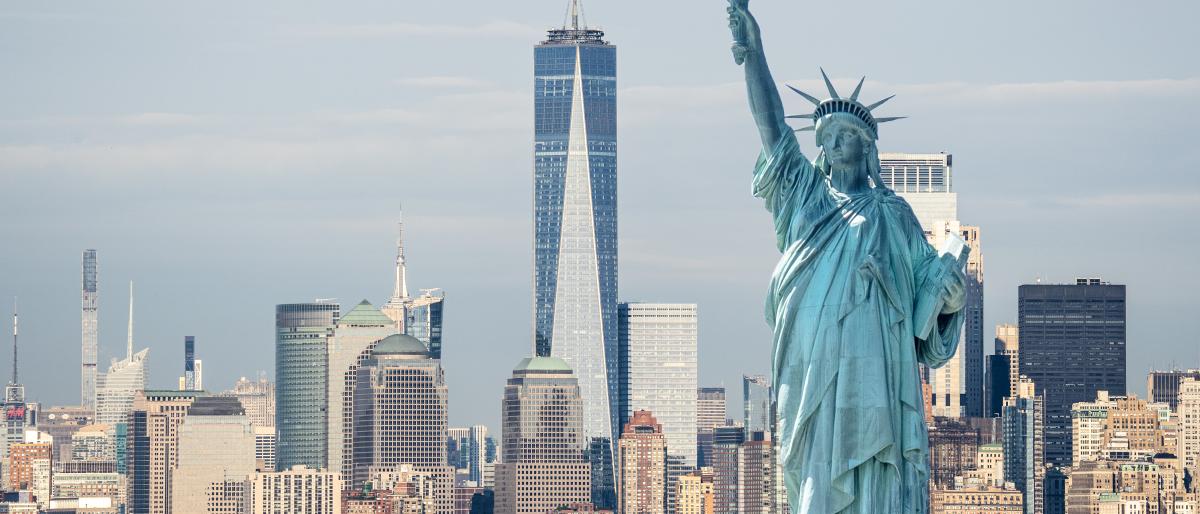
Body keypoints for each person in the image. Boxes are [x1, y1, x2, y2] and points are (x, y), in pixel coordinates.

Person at [727, 0, 968, 512]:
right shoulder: (805, 199)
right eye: (827, 138)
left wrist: (950, 297)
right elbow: (771, 129)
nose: (834, 145)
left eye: (846, 137)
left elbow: (931, 316)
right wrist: (754, 51)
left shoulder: (894, 216)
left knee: (877, 485)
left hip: (878, 373)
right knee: (815, 486)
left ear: (867, 148)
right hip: (812, 369)